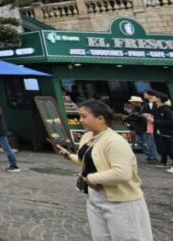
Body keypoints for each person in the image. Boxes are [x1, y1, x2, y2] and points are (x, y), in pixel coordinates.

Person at [54, 100, 154, 241]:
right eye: (79, 116)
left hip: (121, 201)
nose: (80, 120)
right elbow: (89, 160)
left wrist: (91, 178)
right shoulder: (88, 136)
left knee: (127, 237)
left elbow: (122, 173)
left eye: (84, 116)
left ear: (100, 118)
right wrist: (68, 156)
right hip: (95, 196)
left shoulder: (115, 141)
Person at [124, 96, 157, 163]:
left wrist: (131, 117)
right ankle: (151, 155)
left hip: (145, 128)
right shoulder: (134, 109)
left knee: (150, 143)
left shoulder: (144, 108)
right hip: (138, 128)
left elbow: (142, 117)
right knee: (139, 142)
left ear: (137, 102)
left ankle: (154, 157)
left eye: (133, 102)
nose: (132, 103)